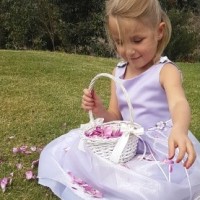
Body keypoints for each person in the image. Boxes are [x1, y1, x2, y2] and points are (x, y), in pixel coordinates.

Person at [38, 0, 200, 199]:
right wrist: (99, 110)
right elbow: (115, 116)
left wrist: (179, 129)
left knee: (156, 187)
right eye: (120, 42)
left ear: (159, 31)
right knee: (74, 152)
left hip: (160, 147)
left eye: (137, 40)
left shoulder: (166, 71)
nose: (129, 51)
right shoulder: (118, 72)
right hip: (126, 143)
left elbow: (178, 103)